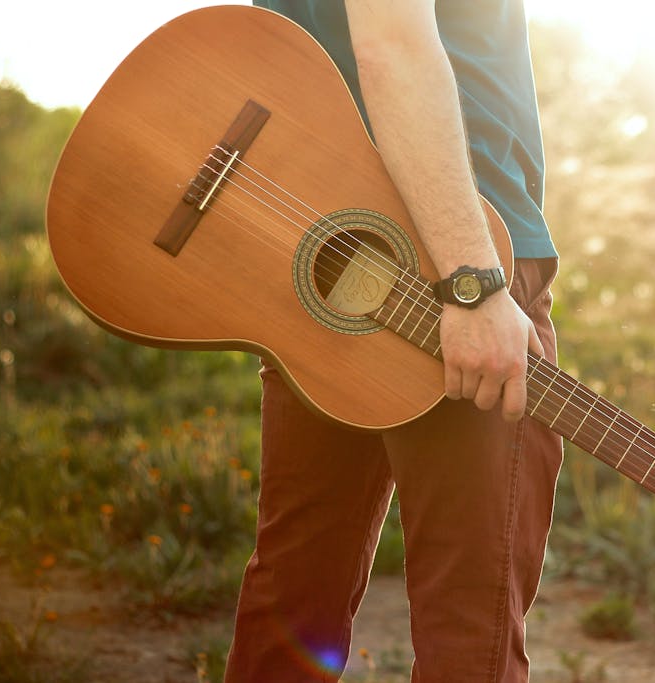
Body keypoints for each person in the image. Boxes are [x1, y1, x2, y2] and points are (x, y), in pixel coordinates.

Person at [224, 1, 561, 681]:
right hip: (457, 250)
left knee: (293, 595)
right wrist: (472, 282)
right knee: (472, 622)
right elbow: (391, 44)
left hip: (328, 244)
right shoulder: (470, 274)